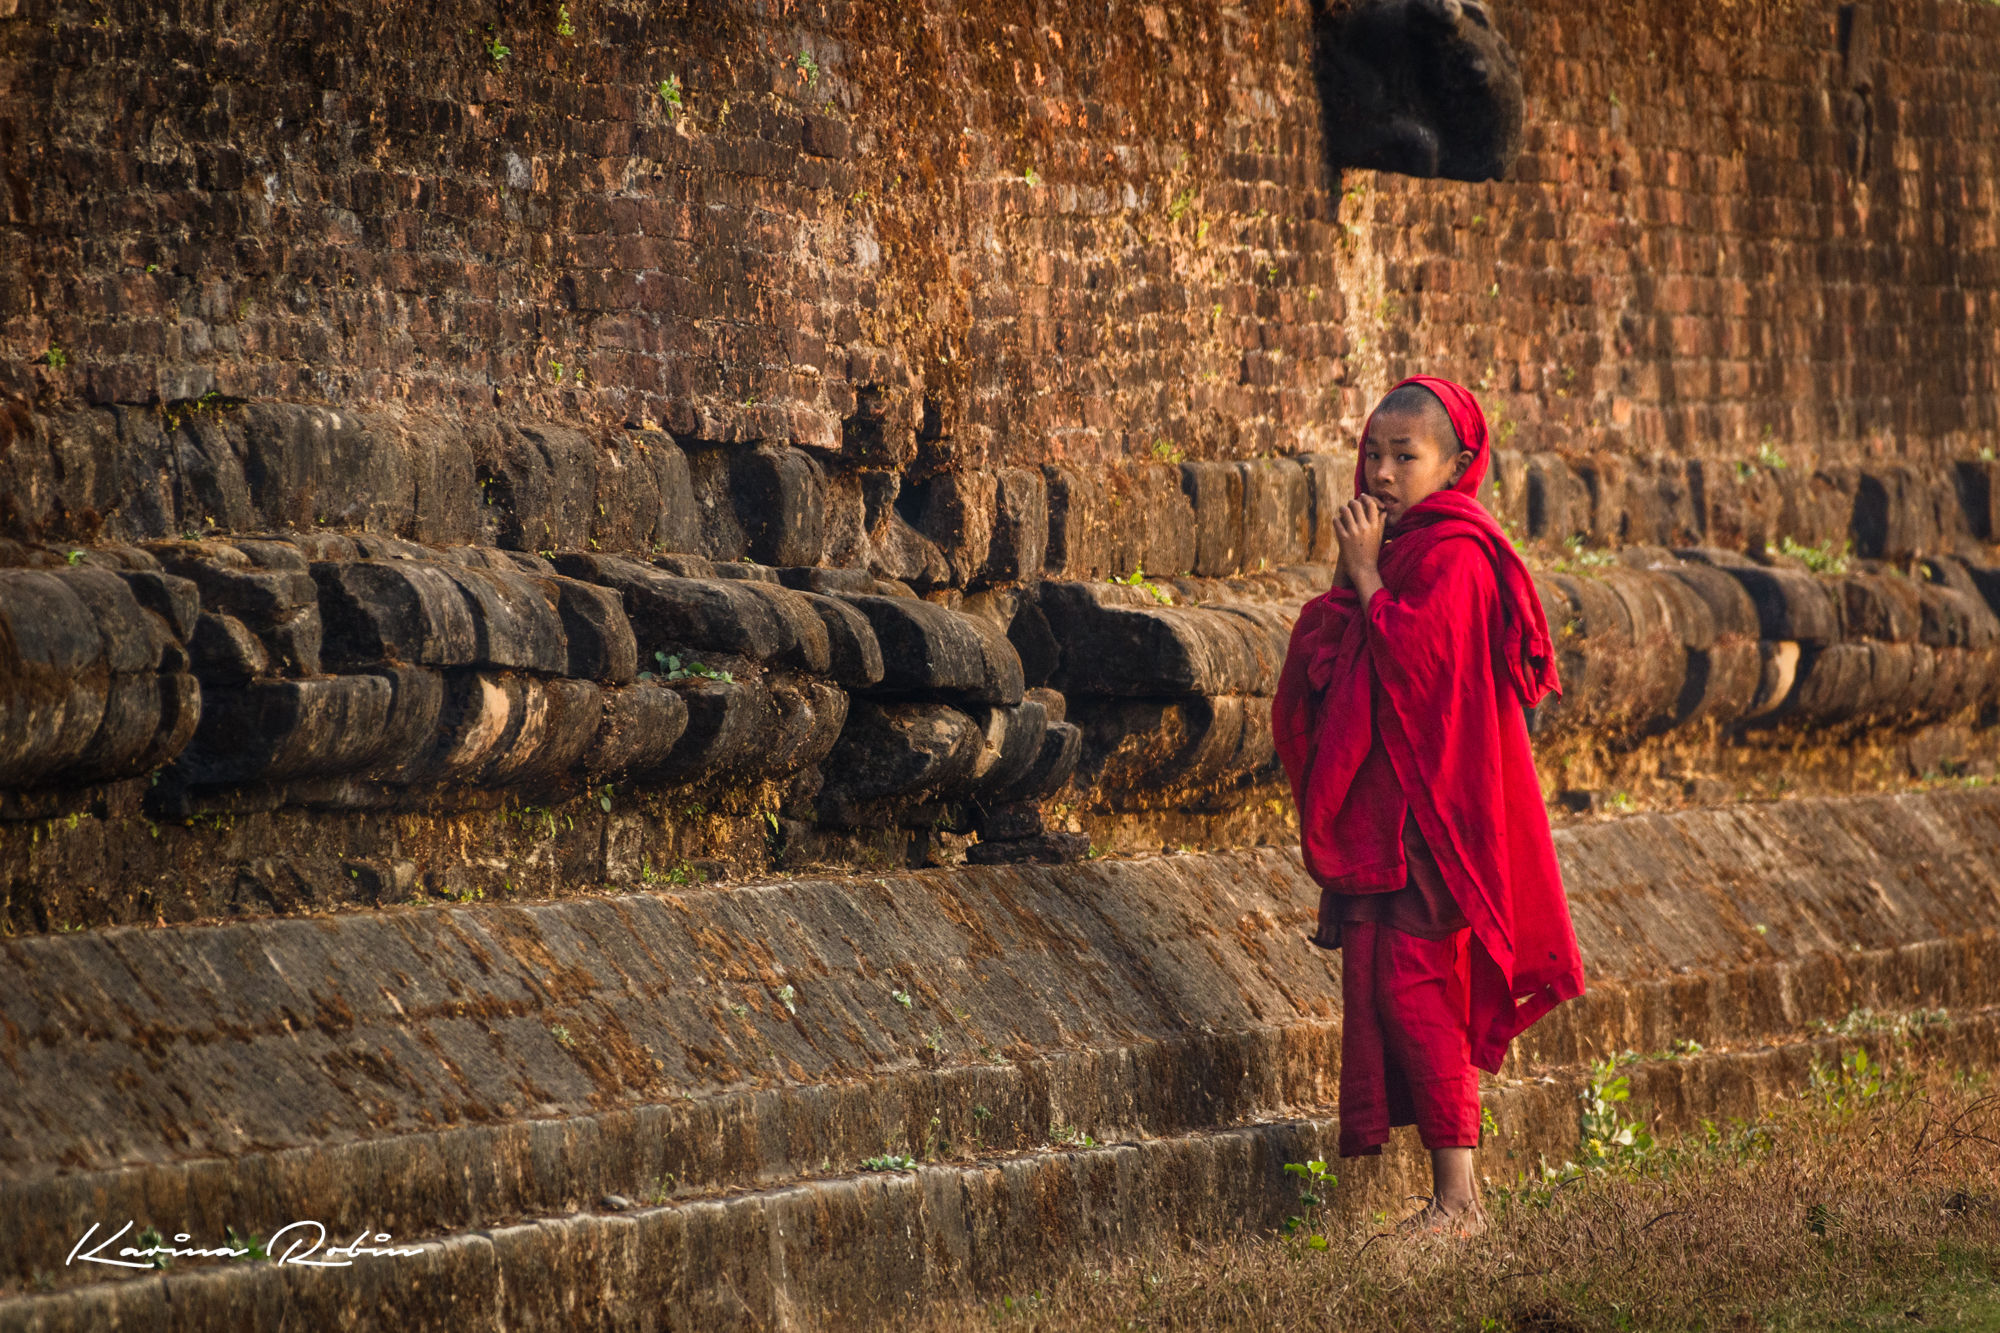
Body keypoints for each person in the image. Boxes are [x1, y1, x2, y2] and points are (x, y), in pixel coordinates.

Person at [1274, 375, 1586, 1235]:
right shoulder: (1402, 543)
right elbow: (1339, 646)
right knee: (1383, 987)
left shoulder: (1453, 552)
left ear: (1455, 466)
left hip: (1435, 820)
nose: (1380, 471)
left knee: (1416, 988)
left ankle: (1460, 1201)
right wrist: (1358, 579)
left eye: (1403, 456)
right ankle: (1452, 1196)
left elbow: (1418, 665)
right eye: (1371, 452)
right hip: (1394, 819)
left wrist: (1368, 573)